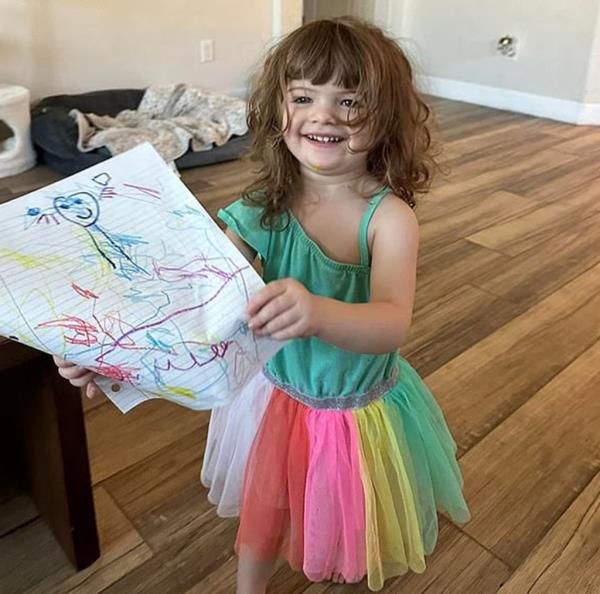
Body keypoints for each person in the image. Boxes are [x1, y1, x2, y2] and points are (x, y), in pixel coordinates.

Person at [54, 17, 470, 593]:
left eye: (350, 100)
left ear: (387, 118)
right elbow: (190, 303)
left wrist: (319, 311)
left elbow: (391, 323)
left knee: (341, 509)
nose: (323, 115)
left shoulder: (390, 219)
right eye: (303, 97)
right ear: (278, 110)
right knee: (263, 509)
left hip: (353, 411)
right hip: (274, 398)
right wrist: (108, 356)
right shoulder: (260, 209)